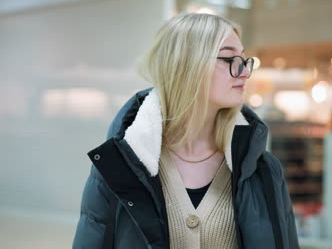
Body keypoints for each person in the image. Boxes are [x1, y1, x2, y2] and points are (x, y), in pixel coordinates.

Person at [73, 13, 299, 249]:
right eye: (229, 58)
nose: (244, 72)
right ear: (186, 65)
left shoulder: (263, 171)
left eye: (243, 59)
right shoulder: (118, 166)